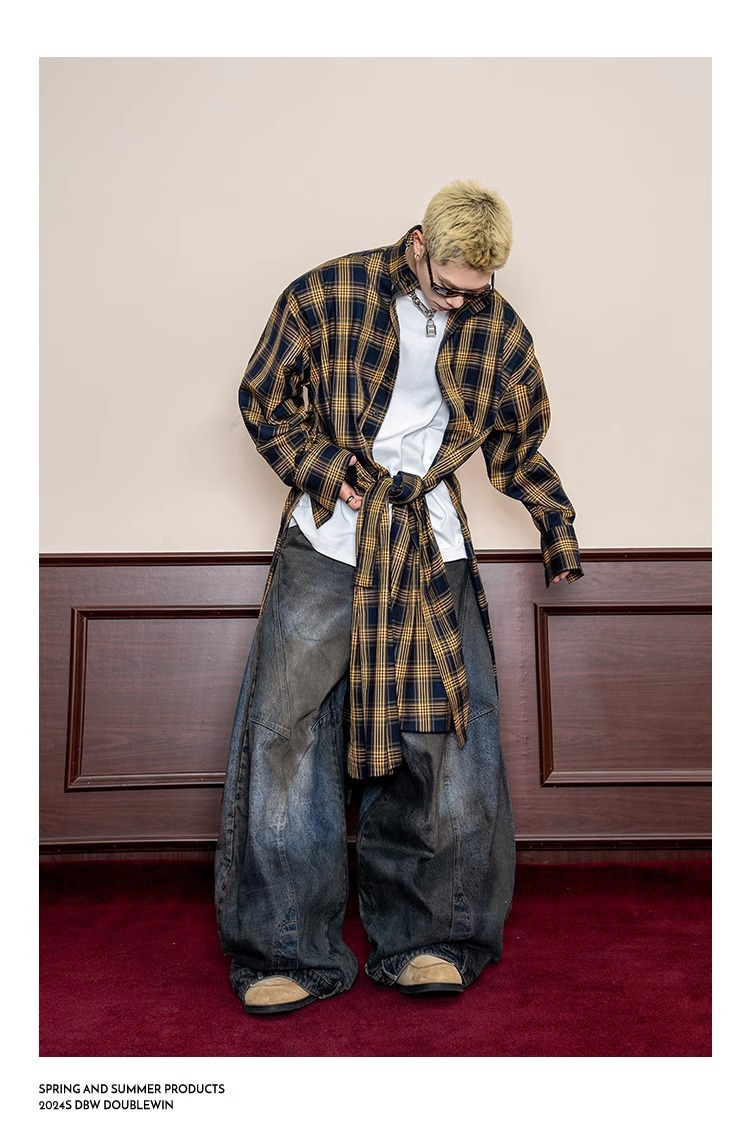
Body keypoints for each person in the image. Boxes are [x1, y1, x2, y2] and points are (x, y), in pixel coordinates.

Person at [215, 179, 583, 1015]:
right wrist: (323, 468)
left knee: (445, 737)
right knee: (288, 735)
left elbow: (519, 443)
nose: (460, 304)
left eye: (475, 293)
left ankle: (434, 938)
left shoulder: (497, 327)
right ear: (418, 245)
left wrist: (556, 528)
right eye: (448, 287)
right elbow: (263, 398)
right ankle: (283, 948)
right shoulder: (326, 293)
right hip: (327, 543)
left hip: (430, 545)